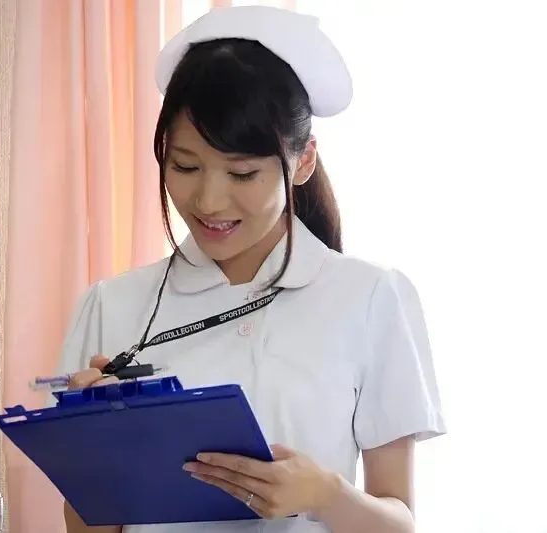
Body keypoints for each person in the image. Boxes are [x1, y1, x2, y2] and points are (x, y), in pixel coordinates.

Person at [56, 5, 445, 533]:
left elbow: (399, 522)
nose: (208, 200)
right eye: (184, 166)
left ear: (303, 161)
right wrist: (95, 449)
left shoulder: (372, 297)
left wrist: (326, 495)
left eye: (242, 174)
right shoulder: (113, 306)